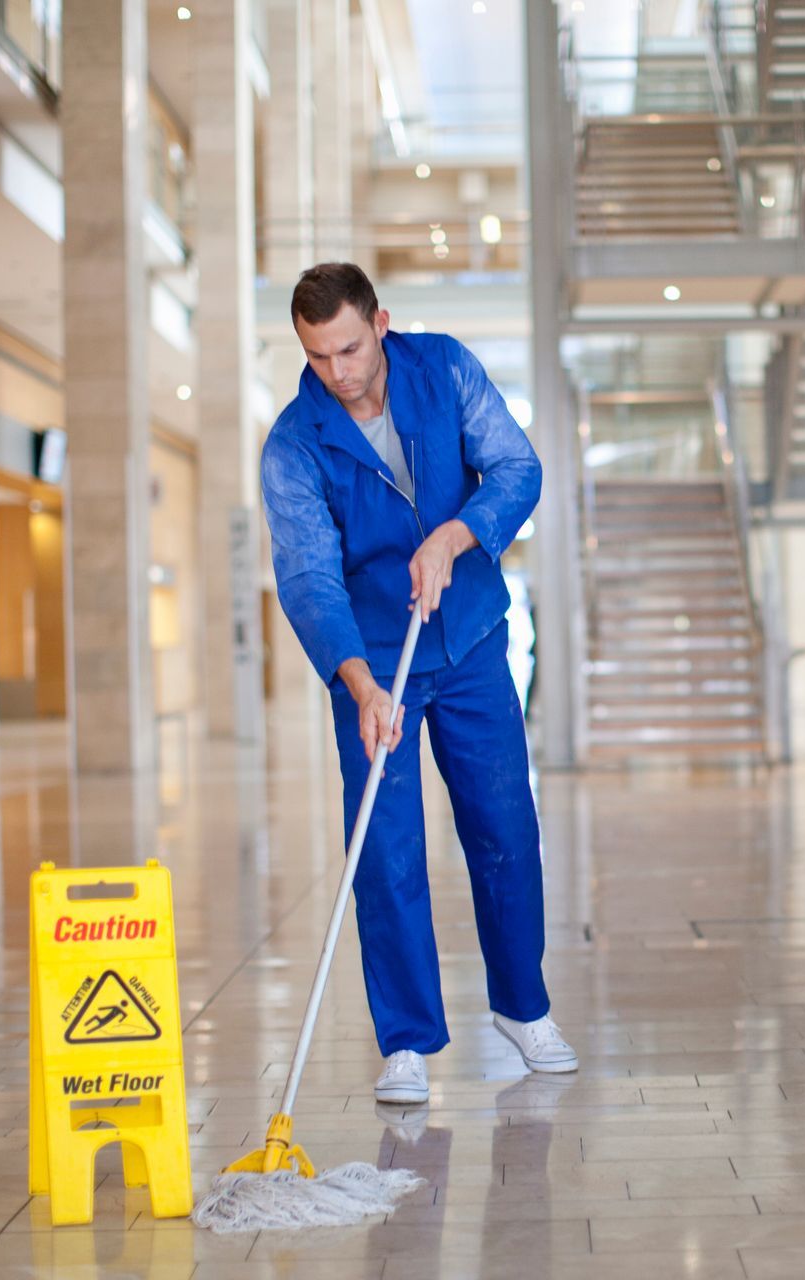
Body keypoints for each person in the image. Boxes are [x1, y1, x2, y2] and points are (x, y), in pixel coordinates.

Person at [262, 262, 577, 1106]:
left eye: (353, 348)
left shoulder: (444, 370)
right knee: (386, 847)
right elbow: (307, 578)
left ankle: (524, 1008)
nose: (341, 373)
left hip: (470, 638)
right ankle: (405, 1041)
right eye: (320, 356)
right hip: (373, 662)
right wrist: (361, 685)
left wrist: (455, 535)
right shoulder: (294, 444)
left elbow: (517, 469)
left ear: (383, 323)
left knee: (505, 826)